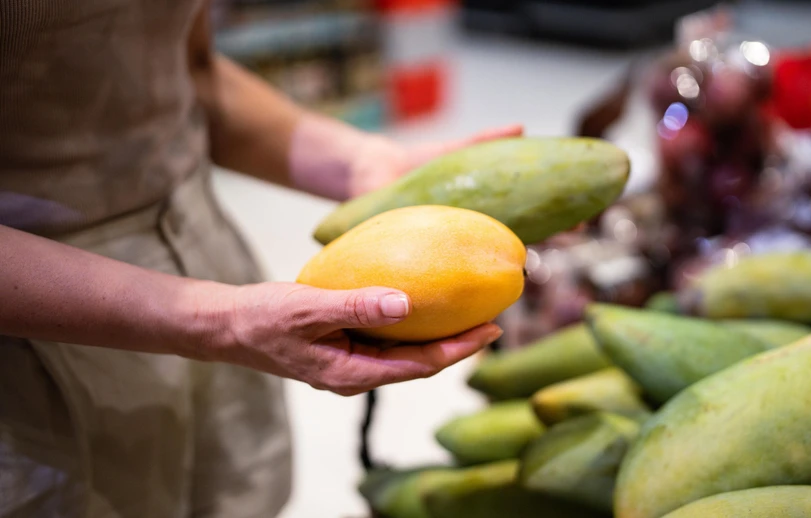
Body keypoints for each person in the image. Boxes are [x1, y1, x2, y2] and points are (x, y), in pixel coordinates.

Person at [0, 1, 523, 516]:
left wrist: (358, 163)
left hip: (201, 257)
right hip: (39, 322)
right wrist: (214, 322)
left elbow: (190, 70)